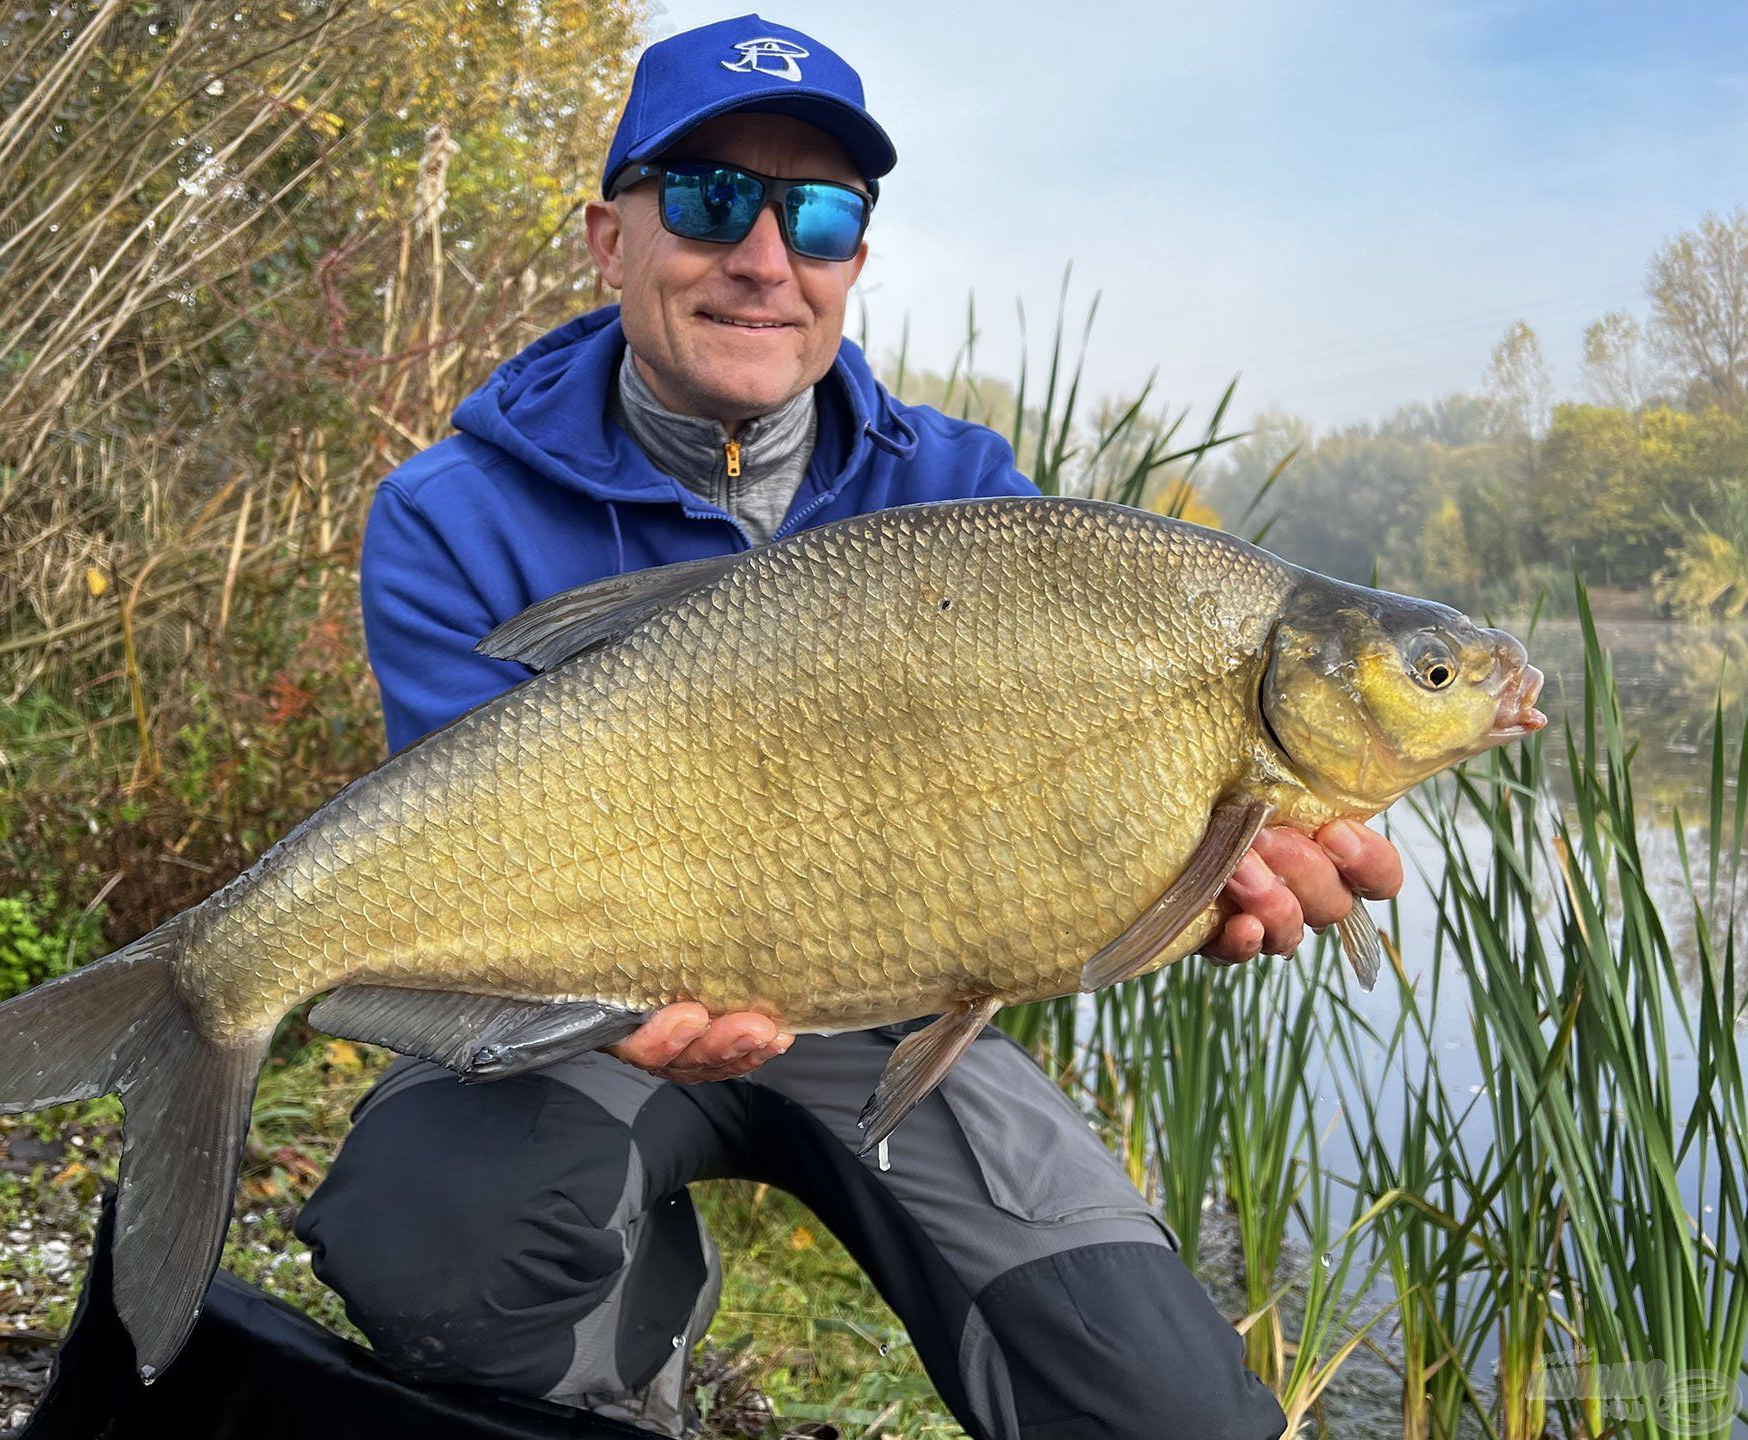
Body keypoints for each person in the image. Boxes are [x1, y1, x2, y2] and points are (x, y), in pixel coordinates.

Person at [295, 15, 1404, 1438]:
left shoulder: (976, 503)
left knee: (1173, 1413)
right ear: (608, 238)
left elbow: (1078, 862)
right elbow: (455, 860)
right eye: (708, 200)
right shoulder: (449, 511)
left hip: (899, 995)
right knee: (439, 1243)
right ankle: (620, 1379)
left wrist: (1202, 882)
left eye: (819, 216)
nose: (766, 257)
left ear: (854, 264)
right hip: (584, 1005)